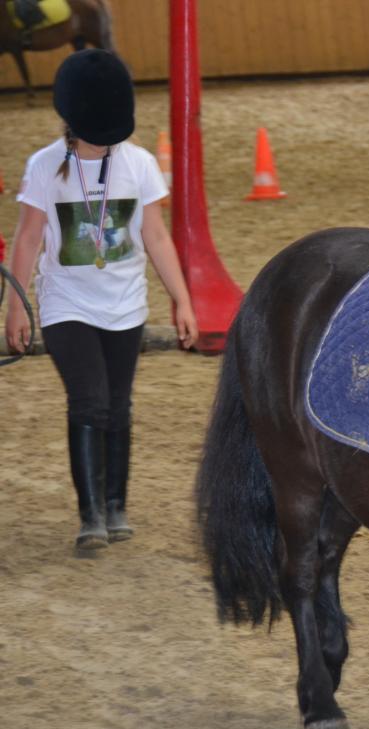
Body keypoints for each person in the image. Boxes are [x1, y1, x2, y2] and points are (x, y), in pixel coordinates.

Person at [4, 49, 199, 551]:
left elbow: (155, 236)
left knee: (118, 406)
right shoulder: (45, 167)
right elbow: (27, 238)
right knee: (89, 401)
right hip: (68, 303)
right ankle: (90, 514)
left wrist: (182, 300)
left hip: (126, 305)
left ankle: (116, 505)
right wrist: (16, 304)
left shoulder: (140, 164)